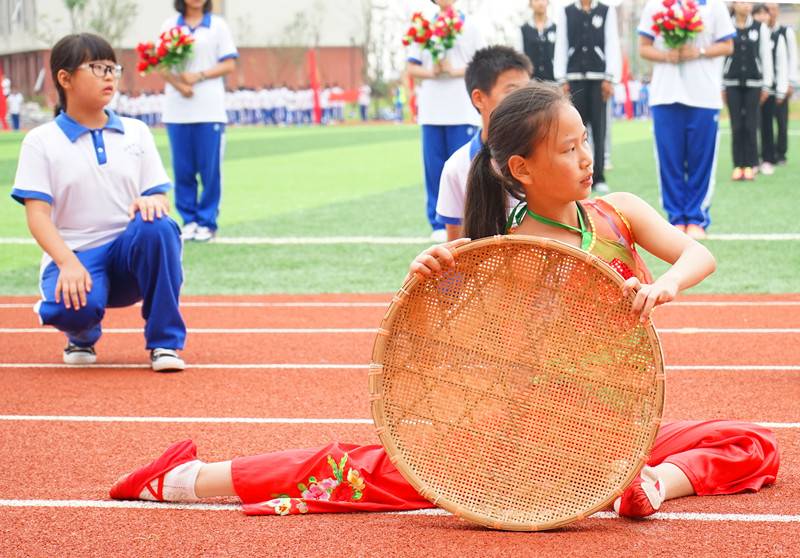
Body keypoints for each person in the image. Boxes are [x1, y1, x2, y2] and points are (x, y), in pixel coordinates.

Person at [110, 83, 779, 519]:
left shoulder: (617, 211)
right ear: (521, 169)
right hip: (526, 436)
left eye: (585, 142)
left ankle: (652, 484)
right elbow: (460, 346)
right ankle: (192, 479)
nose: (586, 156)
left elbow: (698, 255)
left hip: (616, 427)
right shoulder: (503, 253)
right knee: (357, 471)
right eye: (569, 148)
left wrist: (664, 285)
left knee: (750, 442)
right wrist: (428, 278)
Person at [10, 33, 187, 372]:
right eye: (97, 68)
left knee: (159, 225)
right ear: (65, 78)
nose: (109, 76)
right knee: (72, 309)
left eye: (112, 68)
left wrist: (152, 201)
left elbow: (157, 195)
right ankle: (81, 332)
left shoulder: (136, 132)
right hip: (76, 258)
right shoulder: (40, 141)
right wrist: (67, 263)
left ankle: (165, 342)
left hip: (128, 256)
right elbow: (38, 216)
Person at [638, 0, 735, 240]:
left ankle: (696, 217)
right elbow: (644, 47)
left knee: (701, 161)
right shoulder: (656, 6)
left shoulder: (714, 5)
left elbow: (727, 45)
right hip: (665, 94)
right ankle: (676, 219)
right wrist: (666, 55)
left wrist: (698, 51)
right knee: (669, 161)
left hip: (704, 96)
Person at [406, 0, 485, 243]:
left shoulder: (471, 25)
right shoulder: (422, 26)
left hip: (461, 107)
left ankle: (469, 218)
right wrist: (433, 72)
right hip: (431, 108)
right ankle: (438, 222)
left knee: (465, 168)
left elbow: (482, 64)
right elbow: (411, 67)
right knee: (434, 167)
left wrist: (454, 71)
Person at [435, 45, 532, 241]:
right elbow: (456, 248)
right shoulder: (457, 168)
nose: (525, 101)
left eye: (528, 91)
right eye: (512, 91)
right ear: (479, 98)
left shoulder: (545, 153)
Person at [160, 0, 238, 243]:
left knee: (209, 170)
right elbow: (160, 65)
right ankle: (189, 220)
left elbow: (229, 63)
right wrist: (180, 86)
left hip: (209, 109)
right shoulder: (170, 25)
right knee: (182, 170)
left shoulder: (217, 25)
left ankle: (207, 221)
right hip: (177, 109)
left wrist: (199, 76)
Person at [554, 0, 621, 194]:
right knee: (573, 131)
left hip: (599, 79)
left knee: (599, 130)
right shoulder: (566, 12)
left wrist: (610, 77)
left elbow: (612, 43)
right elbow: (561, 44)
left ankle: (598, 176)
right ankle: (574, 174)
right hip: (574, 79)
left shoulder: (606, 10)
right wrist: (561, 78)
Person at [723, 2, 774, 182]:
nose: (746, 5)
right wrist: (721, 85)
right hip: (731, 83)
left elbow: (766, 57)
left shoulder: (760, 28)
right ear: (734, 4)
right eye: (742, 1)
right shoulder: (726, 26)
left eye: (748, 2)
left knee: (751, 125)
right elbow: (722, 57)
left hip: (754, 84)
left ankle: (752, 165)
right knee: (736, 126)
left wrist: (766, 85)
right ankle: (738, 166)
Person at [753, 3, 788, 177]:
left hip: (770, 90)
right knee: (752, 126)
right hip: (752, 89)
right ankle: (753, 160)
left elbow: (782, 64)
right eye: (758, 13)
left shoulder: (778, 35)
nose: (762, 17)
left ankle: (770, 157)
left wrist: (781, 87)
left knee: (769, 124)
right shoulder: (750, 34)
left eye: (765, 13)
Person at [766, 3, 797, 167]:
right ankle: (767, 154)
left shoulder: (786, 32)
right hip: (765, 87)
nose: (770, 13)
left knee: (782, 122)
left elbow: (793, 58)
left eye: (773, 9)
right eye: (767, 9)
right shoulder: (761, 32)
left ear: (777, 12)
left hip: (782, 85)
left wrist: (791, 82)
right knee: (765, 123)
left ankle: (781, 154)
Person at [517, 0, 556, 83]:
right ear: (530, 3)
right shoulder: (523, 30)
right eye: (536, 0)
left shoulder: (556, 28)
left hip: (553, 81)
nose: (540, 3)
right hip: (531, 81)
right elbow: (520, 56)